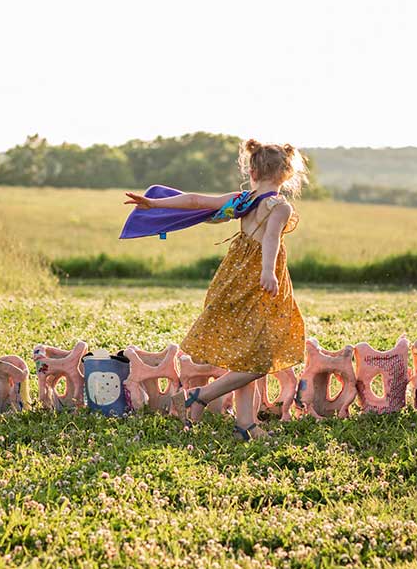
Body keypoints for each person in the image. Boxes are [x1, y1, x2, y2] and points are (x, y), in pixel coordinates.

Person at [123, 139, 307, 440]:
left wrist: (154, 204)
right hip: (259, 285)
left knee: (244, 356)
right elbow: (271, 239)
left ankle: (245, 426)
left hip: (232, 281)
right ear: (286, 173)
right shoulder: (279, 206)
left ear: (253, 171)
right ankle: (200, 397)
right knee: (259, 361)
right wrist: (267, 272)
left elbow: (195, 200)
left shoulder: (243, 200)